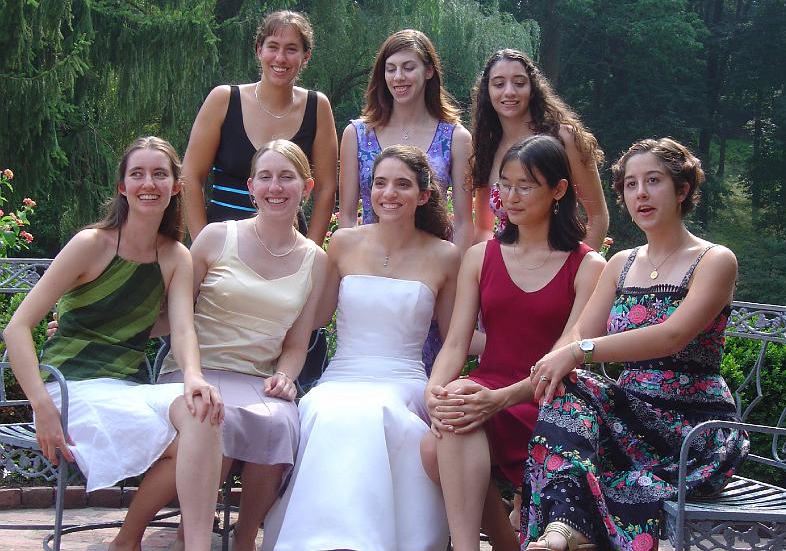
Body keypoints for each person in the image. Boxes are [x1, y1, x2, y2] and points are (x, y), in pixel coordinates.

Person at [521, 138, 749, 551]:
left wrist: (578, 352)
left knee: (572, 396)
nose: (640, 193)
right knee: (566, 389)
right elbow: (580, 332)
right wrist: (557, 359)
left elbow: (672, 336)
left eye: (653, 181)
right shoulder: (620, 263)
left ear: (682, 190)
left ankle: (566, 527)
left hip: (692, 426)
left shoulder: (715, 260)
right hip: (628, 416)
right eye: (630, 184)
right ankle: (564, 527)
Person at [4, 136, 223, 551]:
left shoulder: (176, 256)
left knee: (201, 413)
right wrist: (42, 406)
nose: (148, 183)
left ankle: (169, 544)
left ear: (176, 186)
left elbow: (182, 329)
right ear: (122, 186)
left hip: (126, 388)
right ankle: (127, 541)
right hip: (70, 387)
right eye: (137, 174)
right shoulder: (91, 244)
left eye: (159, 174)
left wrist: (194, 376)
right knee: (193, 435)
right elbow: (17, 327)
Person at [263, 145, 461, 551]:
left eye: (402, 184)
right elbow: (315, 316)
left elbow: (454, 336)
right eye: (380, 183)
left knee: (379, 412)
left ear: (424, 195)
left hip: (402, 379)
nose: (389, 193)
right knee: (322, 408)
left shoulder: (445, 256)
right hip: (344, 374)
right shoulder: (343, 243)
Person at [421, 135, 606, 551]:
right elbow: (456, 343)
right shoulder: (481, 256)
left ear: (558, 190)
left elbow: (565, 357)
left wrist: (498, 399)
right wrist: (434, 391)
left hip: (552, 399)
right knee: (447, 422)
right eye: (505, 184)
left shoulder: (587, 265)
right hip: (489, 386)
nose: (511, 196)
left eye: (526, 185)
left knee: (445, 437)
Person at [158, 140, 327, 551]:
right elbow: (170, 314)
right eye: (265, 177)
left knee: (281, 423)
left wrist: (285, 376)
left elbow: (297, 343)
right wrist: (89, 326)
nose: (275, 187)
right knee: (216, 415)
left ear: (306, 187)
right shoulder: (217, 237)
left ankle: (246, 536)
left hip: (258, 378)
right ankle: (190, 533)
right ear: (251, 187)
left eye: (286, 177)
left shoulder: (316, 260)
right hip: (195, 370)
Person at [338, 29, 472, 374]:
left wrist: (448, 281)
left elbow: (463, 222)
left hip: (426, 278)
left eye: (408, 67)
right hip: (370, 275)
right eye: (391, 68)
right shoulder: (357, 133)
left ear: (429, 71)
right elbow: (348, 215)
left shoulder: (456, 137)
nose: (399, 77)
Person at [182, 9, 337, 245]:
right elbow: (190, 177)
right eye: (273, 46)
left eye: (291, 49)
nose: (280, 58)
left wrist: (311, 252)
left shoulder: (317, 107)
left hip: (286, 249)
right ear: (259, 50)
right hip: (222, 247)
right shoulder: (224, 100)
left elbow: (326, 188)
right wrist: (202, 245)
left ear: (306, 56)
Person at [471, 49, 608, 250]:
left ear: (533, 89)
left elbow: (597, 217)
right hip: (505, 263)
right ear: (487, 91)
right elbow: (483, 228)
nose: (509, 92)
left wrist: (579, 265)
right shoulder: (485, 148)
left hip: (561, 259)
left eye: (519, 83)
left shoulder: (565, 139)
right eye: (499, 84)